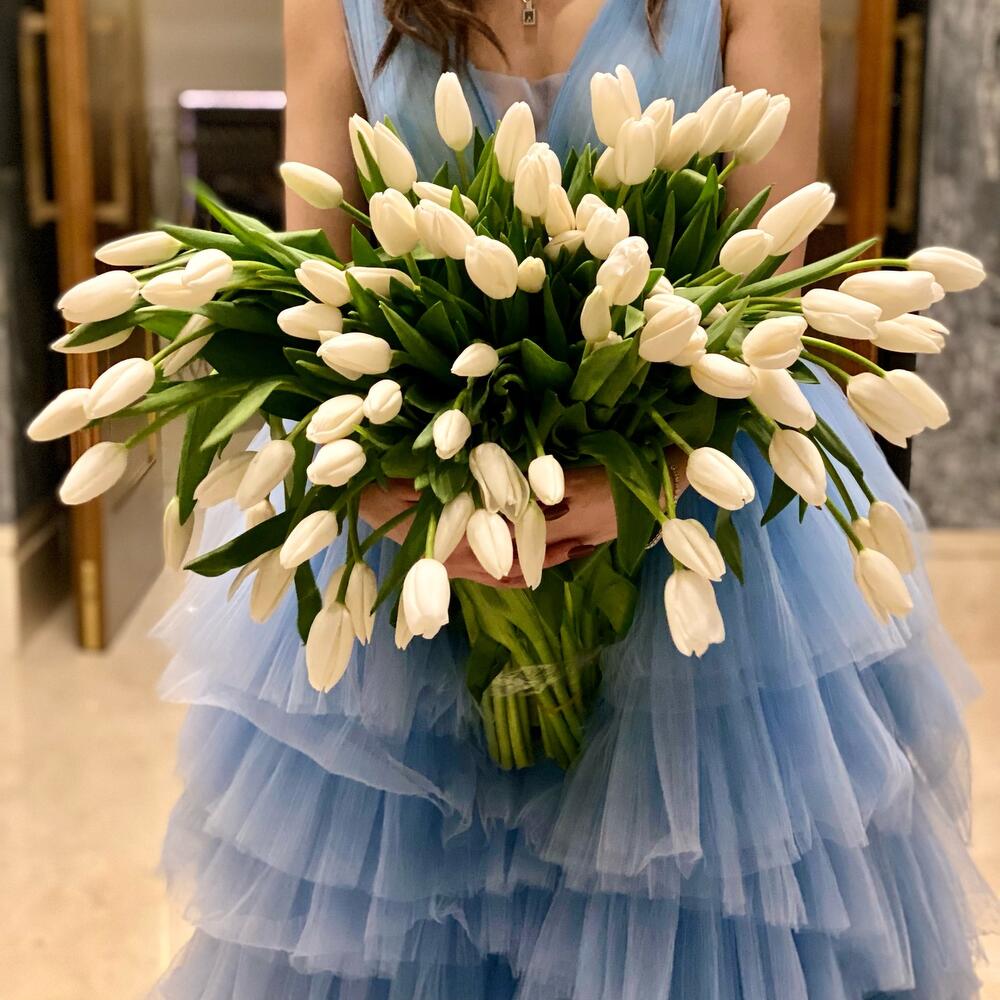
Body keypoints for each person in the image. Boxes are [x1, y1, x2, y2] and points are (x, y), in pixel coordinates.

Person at [152, 0, 993, 996]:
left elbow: (774, 296)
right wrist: (389, 502)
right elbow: (317, 296)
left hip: (703, 500)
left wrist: (644, 487)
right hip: (419, 511)